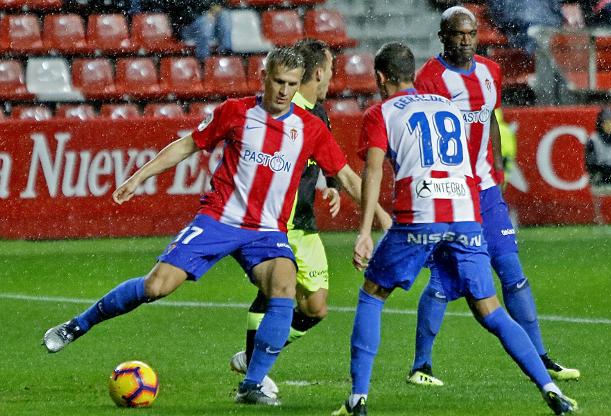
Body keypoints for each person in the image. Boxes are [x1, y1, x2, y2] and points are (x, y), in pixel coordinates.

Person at [41, 47, 374, 408]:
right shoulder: (236, 112)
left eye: (291, 84)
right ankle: (77, 325)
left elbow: (347, 177)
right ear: (263, 76)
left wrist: (375, 226)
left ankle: (252, 383)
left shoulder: (310, 128)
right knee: (156, 285)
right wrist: (140, 176)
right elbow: (188, 145)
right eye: (278, 81)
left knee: (284, 283)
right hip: (218, 219)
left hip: (267, 232)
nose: (283, 90)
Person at [332, 41, 577, 416]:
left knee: (372, 295)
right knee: (491, 309)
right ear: (412, 74)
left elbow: (374, 170)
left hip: (421, 213)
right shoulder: (448, 106)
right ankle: (549, 389)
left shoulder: (380, 112)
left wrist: (365, 231)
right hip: (466, 214)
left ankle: (358, 398)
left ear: (380, 78)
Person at [409, 5, 579, 387]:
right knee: (445, 279)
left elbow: (490, 120)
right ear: (443, 37)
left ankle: (541, 356)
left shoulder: (491, 72)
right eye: (458, 34)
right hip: (450, 192)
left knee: (512, 273)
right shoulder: (430, 79)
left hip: (485, 189)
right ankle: (421, 365)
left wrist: (498, 172)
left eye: (471, 34)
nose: (466, 41)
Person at [228, 39, 392, 396]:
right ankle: (254, 377)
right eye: (331, 70)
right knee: (276, 291)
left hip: (303, 223)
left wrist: (331, 185)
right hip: (273, 223)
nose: (332, 77)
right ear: (319, 72)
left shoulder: (316, 114)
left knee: (316, 307)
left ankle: (253, 358)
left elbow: (330, 163)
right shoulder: (277, 110)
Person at [585, 107, 611, 223]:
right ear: (600, 124)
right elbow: (590, 165)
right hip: (602, 178)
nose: (609, 125)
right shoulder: (593, 140)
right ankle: (599, 218)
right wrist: (607, 169)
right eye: (606, 122)